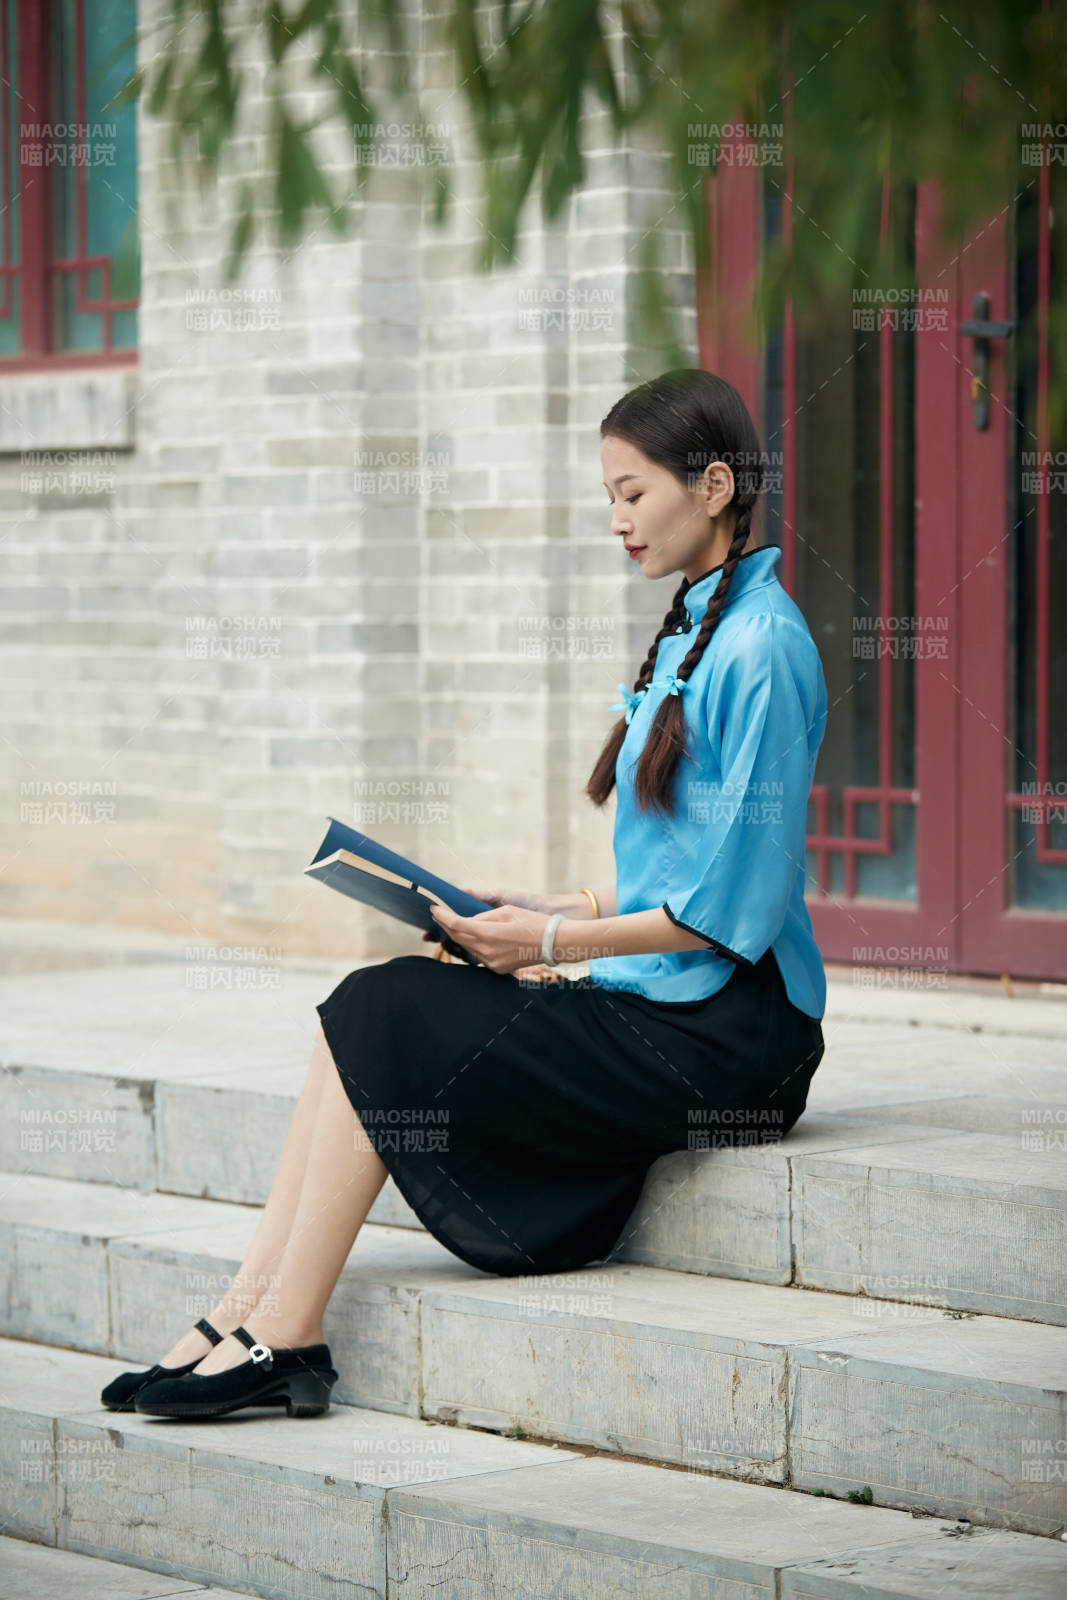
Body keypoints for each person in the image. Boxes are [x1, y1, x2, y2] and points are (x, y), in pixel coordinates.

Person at [105, 367, 828, 1421]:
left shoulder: (763, 645)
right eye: (607, 498)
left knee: (388, 1005)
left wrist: (547, 938)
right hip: (672, 993)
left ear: (712, 485)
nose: (615, 519)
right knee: (369, 994)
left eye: (632, 493)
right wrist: (537, 909)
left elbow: (731, 919)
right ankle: (244, 1310)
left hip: (734, 1037)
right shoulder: (693, 625)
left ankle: (289, 1333)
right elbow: (678, 878)